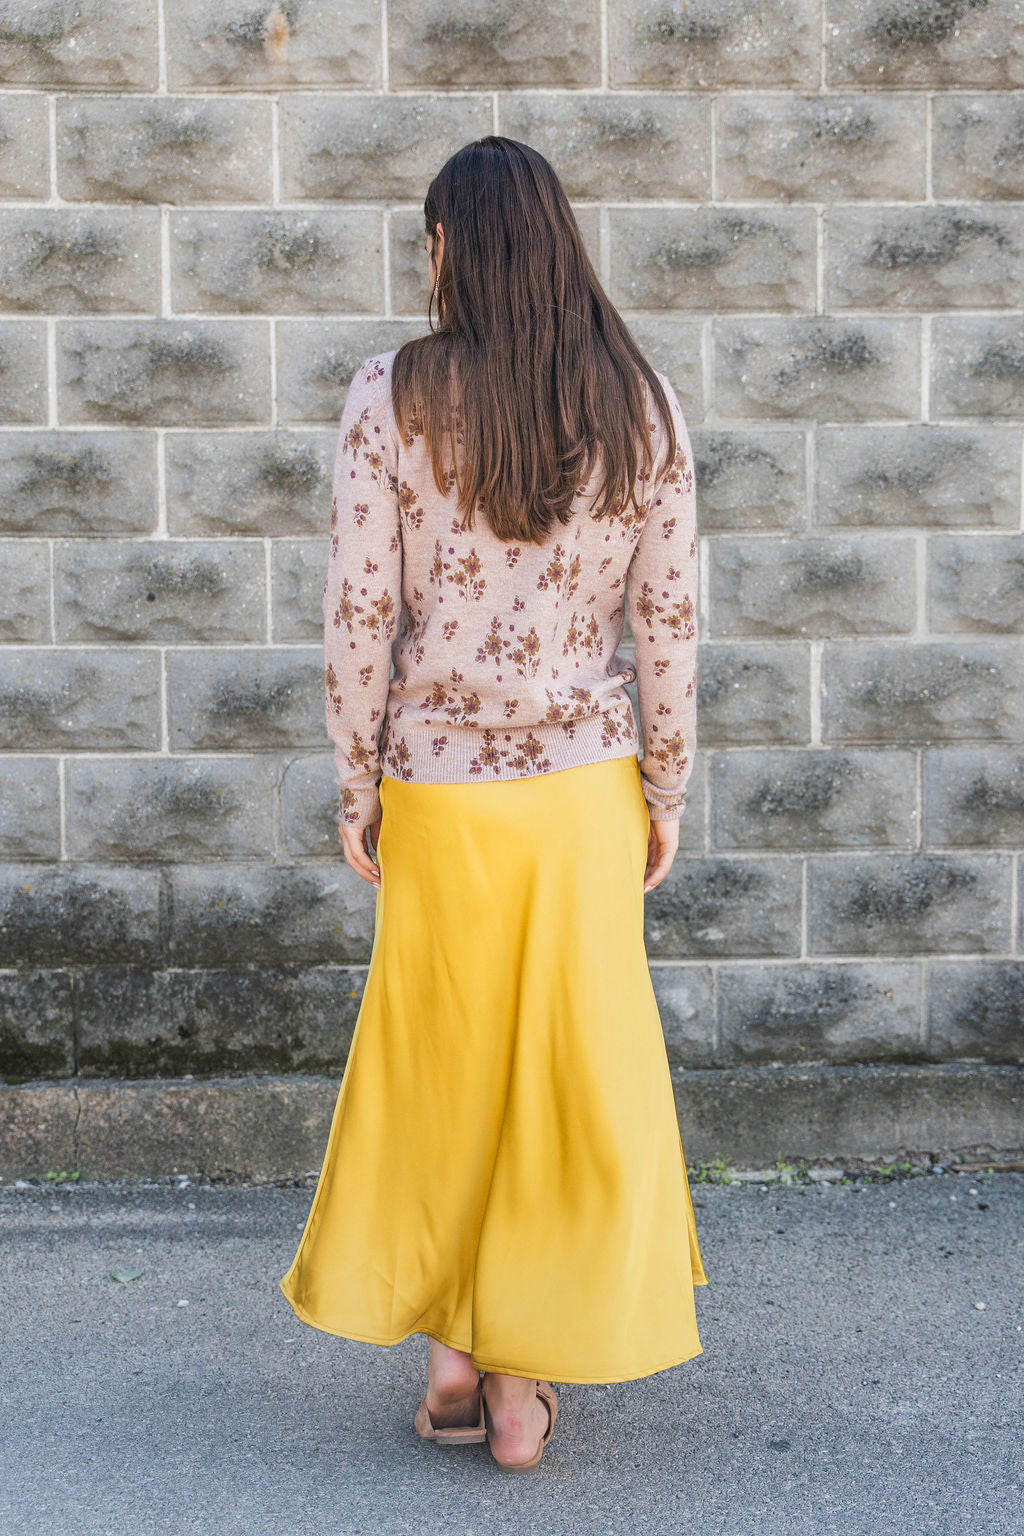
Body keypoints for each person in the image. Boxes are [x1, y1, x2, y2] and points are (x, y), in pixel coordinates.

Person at [279, 135, 708, 1474]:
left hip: (442, 796)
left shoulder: (390, 396)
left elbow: (359, 610)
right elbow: (671, 621)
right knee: (558, 1080)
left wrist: (355, 781)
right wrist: (665, 784)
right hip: (582, 796)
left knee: (446, 1068)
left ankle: (454, 1365)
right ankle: (520, 1386)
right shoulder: (639, 402)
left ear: (449, 248)